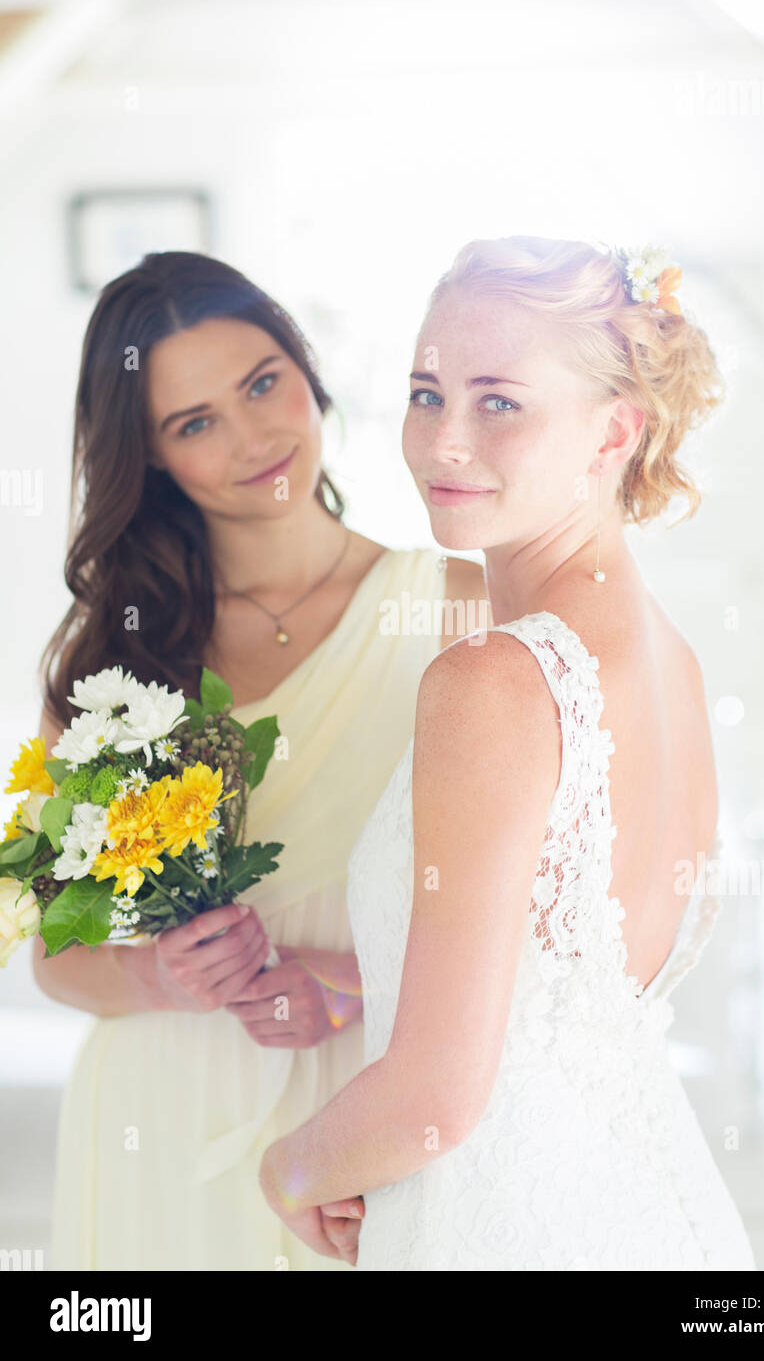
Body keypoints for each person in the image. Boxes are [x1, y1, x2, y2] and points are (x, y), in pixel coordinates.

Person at [259, 235, 757, 1270]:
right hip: (664, 1223)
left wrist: (288, 1169)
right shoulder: (673, 665)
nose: (442, 440)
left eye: (497, 402)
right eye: (425, 391)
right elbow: (548, 971)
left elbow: (434, 1099)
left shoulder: (491, 681)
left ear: (613, 432)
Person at [33, 250, 487, 1270]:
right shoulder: (117, 658)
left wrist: (360, 983)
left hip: (364, 1109)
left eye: (261, 384)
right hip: (161, 1117)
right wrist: (158, 973)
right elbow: (56, 957)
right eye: (195, 423)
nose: (252, 439)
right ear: (149, 457)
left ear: (305, 369)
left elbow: (545, 908)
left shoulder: (457, 605)